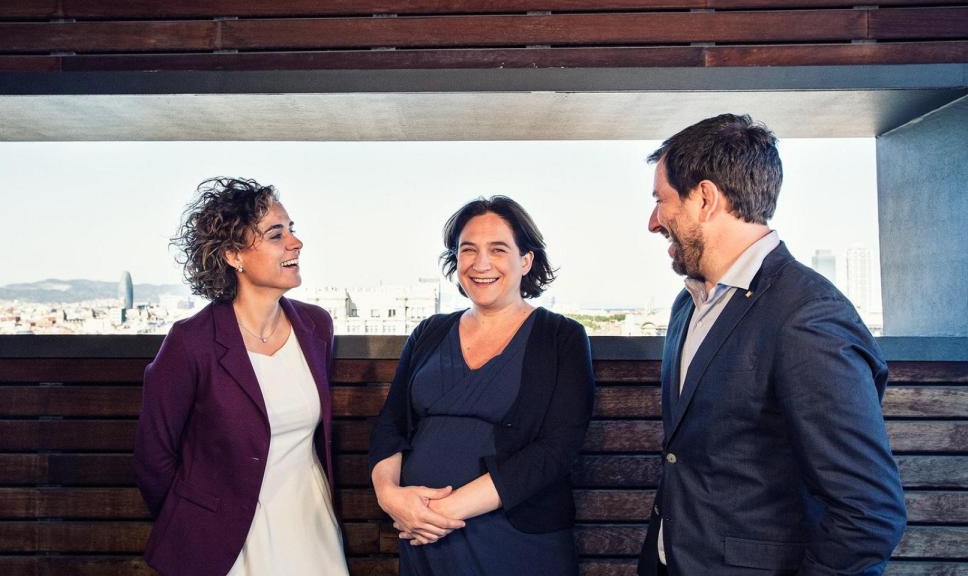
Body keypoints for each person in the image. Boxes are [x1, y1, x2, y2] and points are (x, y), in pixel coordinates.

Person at [638, 114, 906, 575]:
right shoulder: (689, 305)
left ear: (705, 198)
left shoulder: (808, 315)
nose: (653, 221)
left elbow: (868, 513)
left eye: (662, 201)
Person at [369, 196, 595, 575]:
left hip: (514, 538)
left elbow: (558, 449)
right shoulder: (429, 332)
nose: (481, 263)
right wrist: (390, 497)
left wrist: (441, 512)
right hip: (424, 539)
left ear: (526, 261)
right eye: (468, 250)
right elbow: (392, 426)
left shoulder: (562, 337)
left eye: (498, 249)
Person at [133, 178, 348, 576]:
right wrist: (198, 524)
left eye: (292, 229)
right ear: (234, 255)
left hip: (310, 527)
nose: (295, 242)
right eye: (275, 234)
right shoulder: (191, 342)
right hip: (224, 542)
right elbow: (153, 459)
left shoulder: (316, 326)